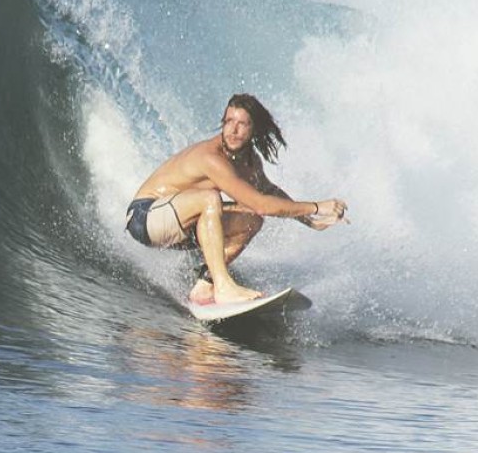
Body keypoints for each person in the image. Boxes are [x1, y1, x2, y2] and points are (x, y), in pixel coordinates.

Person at [125, 93, 348, 305]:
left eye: (242, 124)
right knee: (211, 199)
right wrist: (318, 206)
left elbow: (268, 192)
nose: (233, 129)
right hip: (145, 216)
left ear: (254, 129)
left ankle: (205, 284)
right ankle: (224, 287)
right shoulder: (211, 158)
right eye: (228, 121)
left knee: (251, 219)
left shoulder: (248, 161)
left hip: (180, 225)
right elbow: (261, 204)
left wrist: (310, 220)